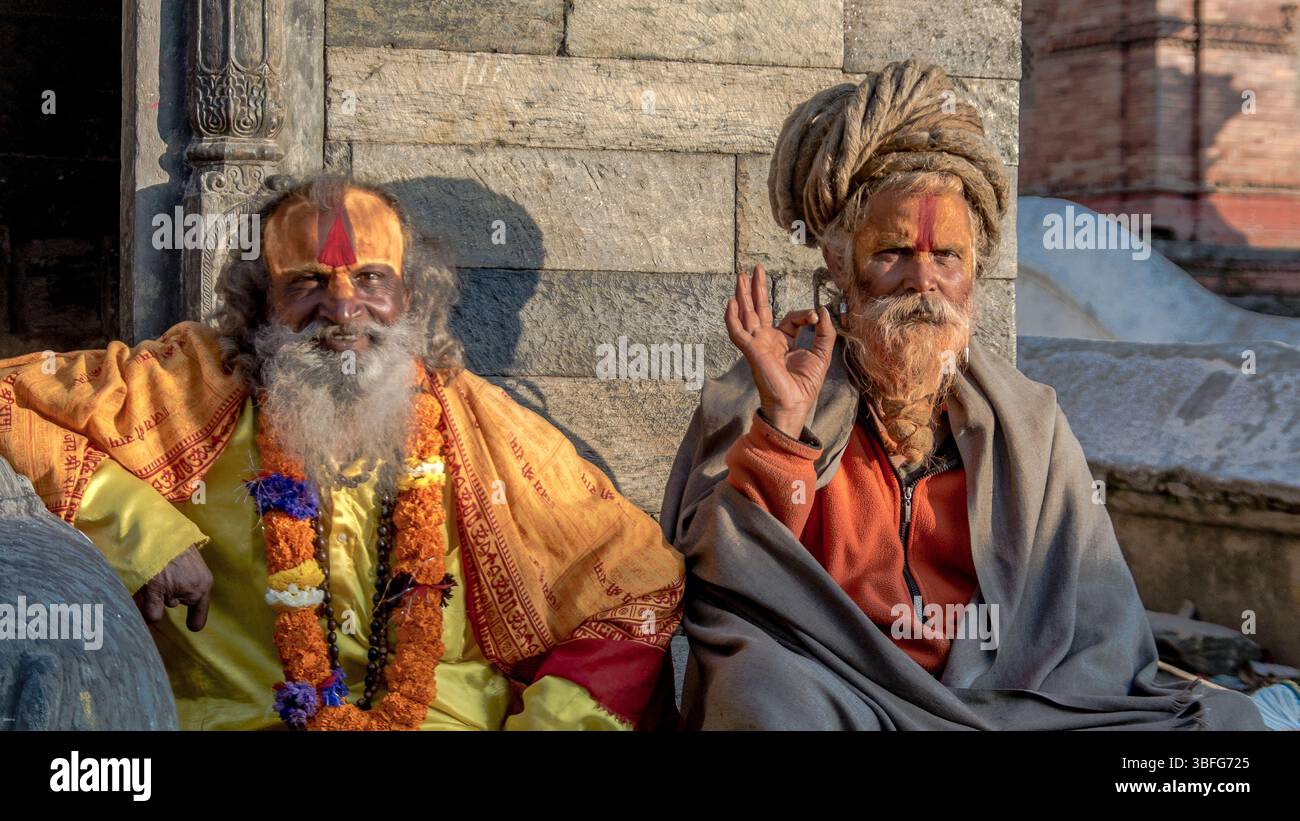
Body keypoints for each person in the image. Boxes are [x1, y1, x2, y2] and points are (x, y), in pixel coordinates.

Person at [660, 60, 1266, 730]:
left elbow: (1101, 635)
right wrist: (782, 431)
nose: (924, 281)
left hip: (1000, 706)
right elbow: (720, 586)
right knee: (762, 702)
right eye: (892, 252)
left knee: (1228, 729)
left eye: (946, 256)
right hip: (845, 694)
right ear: (839, 262)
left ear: (973, 268)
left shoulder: (1028, 422)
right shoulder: (763, 395)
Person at [0, 174, 683, 730]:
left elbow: (637, 579)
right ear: (263, 303)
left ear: (409, 296)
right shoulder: (184, 390)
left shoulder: (480, 425)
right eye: (307, 281)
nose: (343, 306)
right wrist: (140, 530)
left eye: (371, 279)